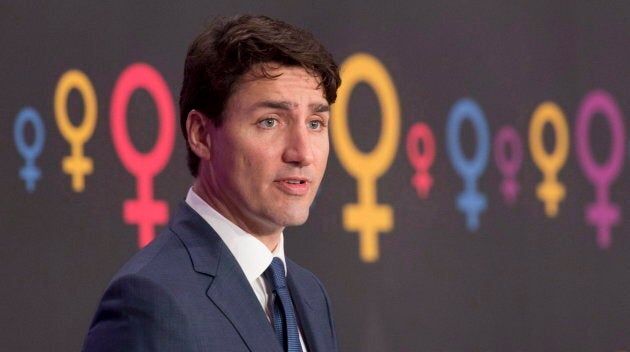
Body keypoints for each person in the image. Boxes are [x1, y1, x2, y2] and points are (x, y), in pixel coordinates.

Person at [82, 15, 341, 352]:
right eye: (270, 121)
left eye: (316, 123)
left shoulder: (309, 294)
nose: (302, 153)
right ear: (201, 134)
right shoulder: (150, 301)